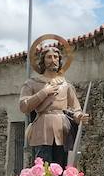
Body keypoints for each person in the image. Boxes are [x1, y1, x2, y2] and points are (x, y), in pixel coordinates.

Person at [18, 37, 88, 167]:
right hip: (42, 128)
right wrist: (44, 92)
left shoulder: (66, 85)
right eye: (49, 57)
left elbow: (75, 107)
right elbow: (23, 106)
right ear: (43, 61)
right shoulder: (32, 83)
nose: (53, 60)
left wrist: (79, 116)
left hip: (63, 129)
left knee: (61, 168)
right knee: (42, 168)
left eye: (56, 57)